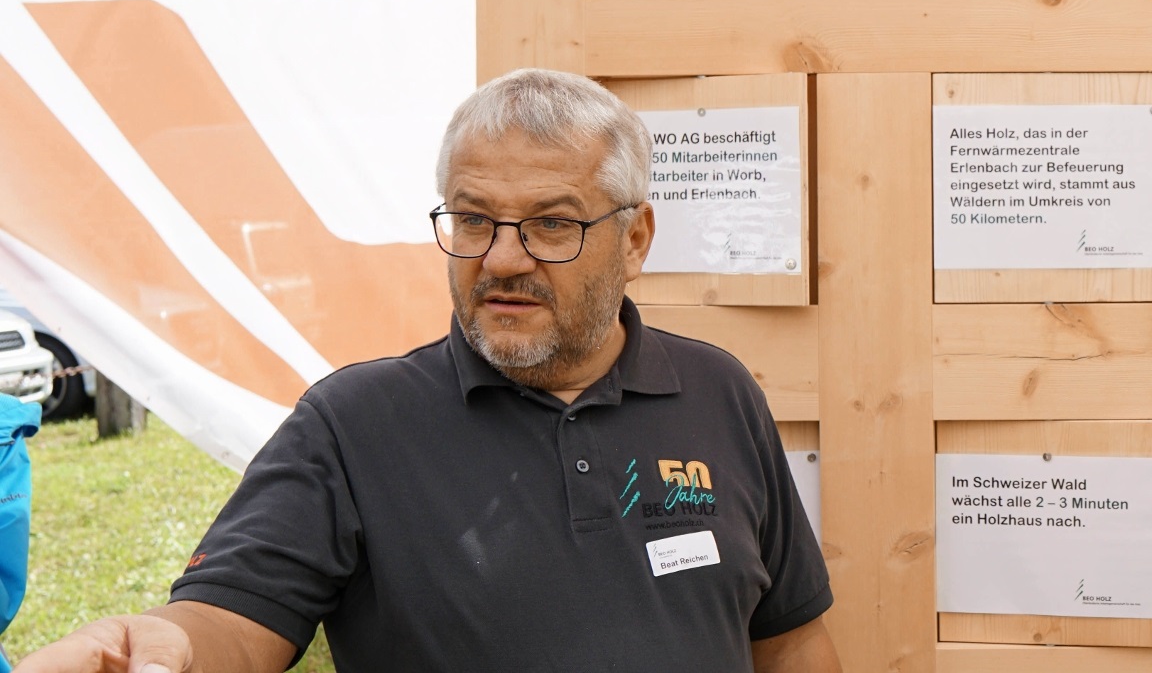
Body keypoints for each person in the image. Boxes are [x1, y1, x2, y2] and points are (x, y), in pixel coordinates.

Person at [15, 69, 840, 672]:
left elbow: (792, 637)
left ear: (634, 239)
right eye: (474, 218)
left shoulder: (719, 392)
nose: (503, 257)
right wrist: (172, 647)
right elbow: (234, 614)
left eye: (551, 225)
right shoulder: (355, 423)